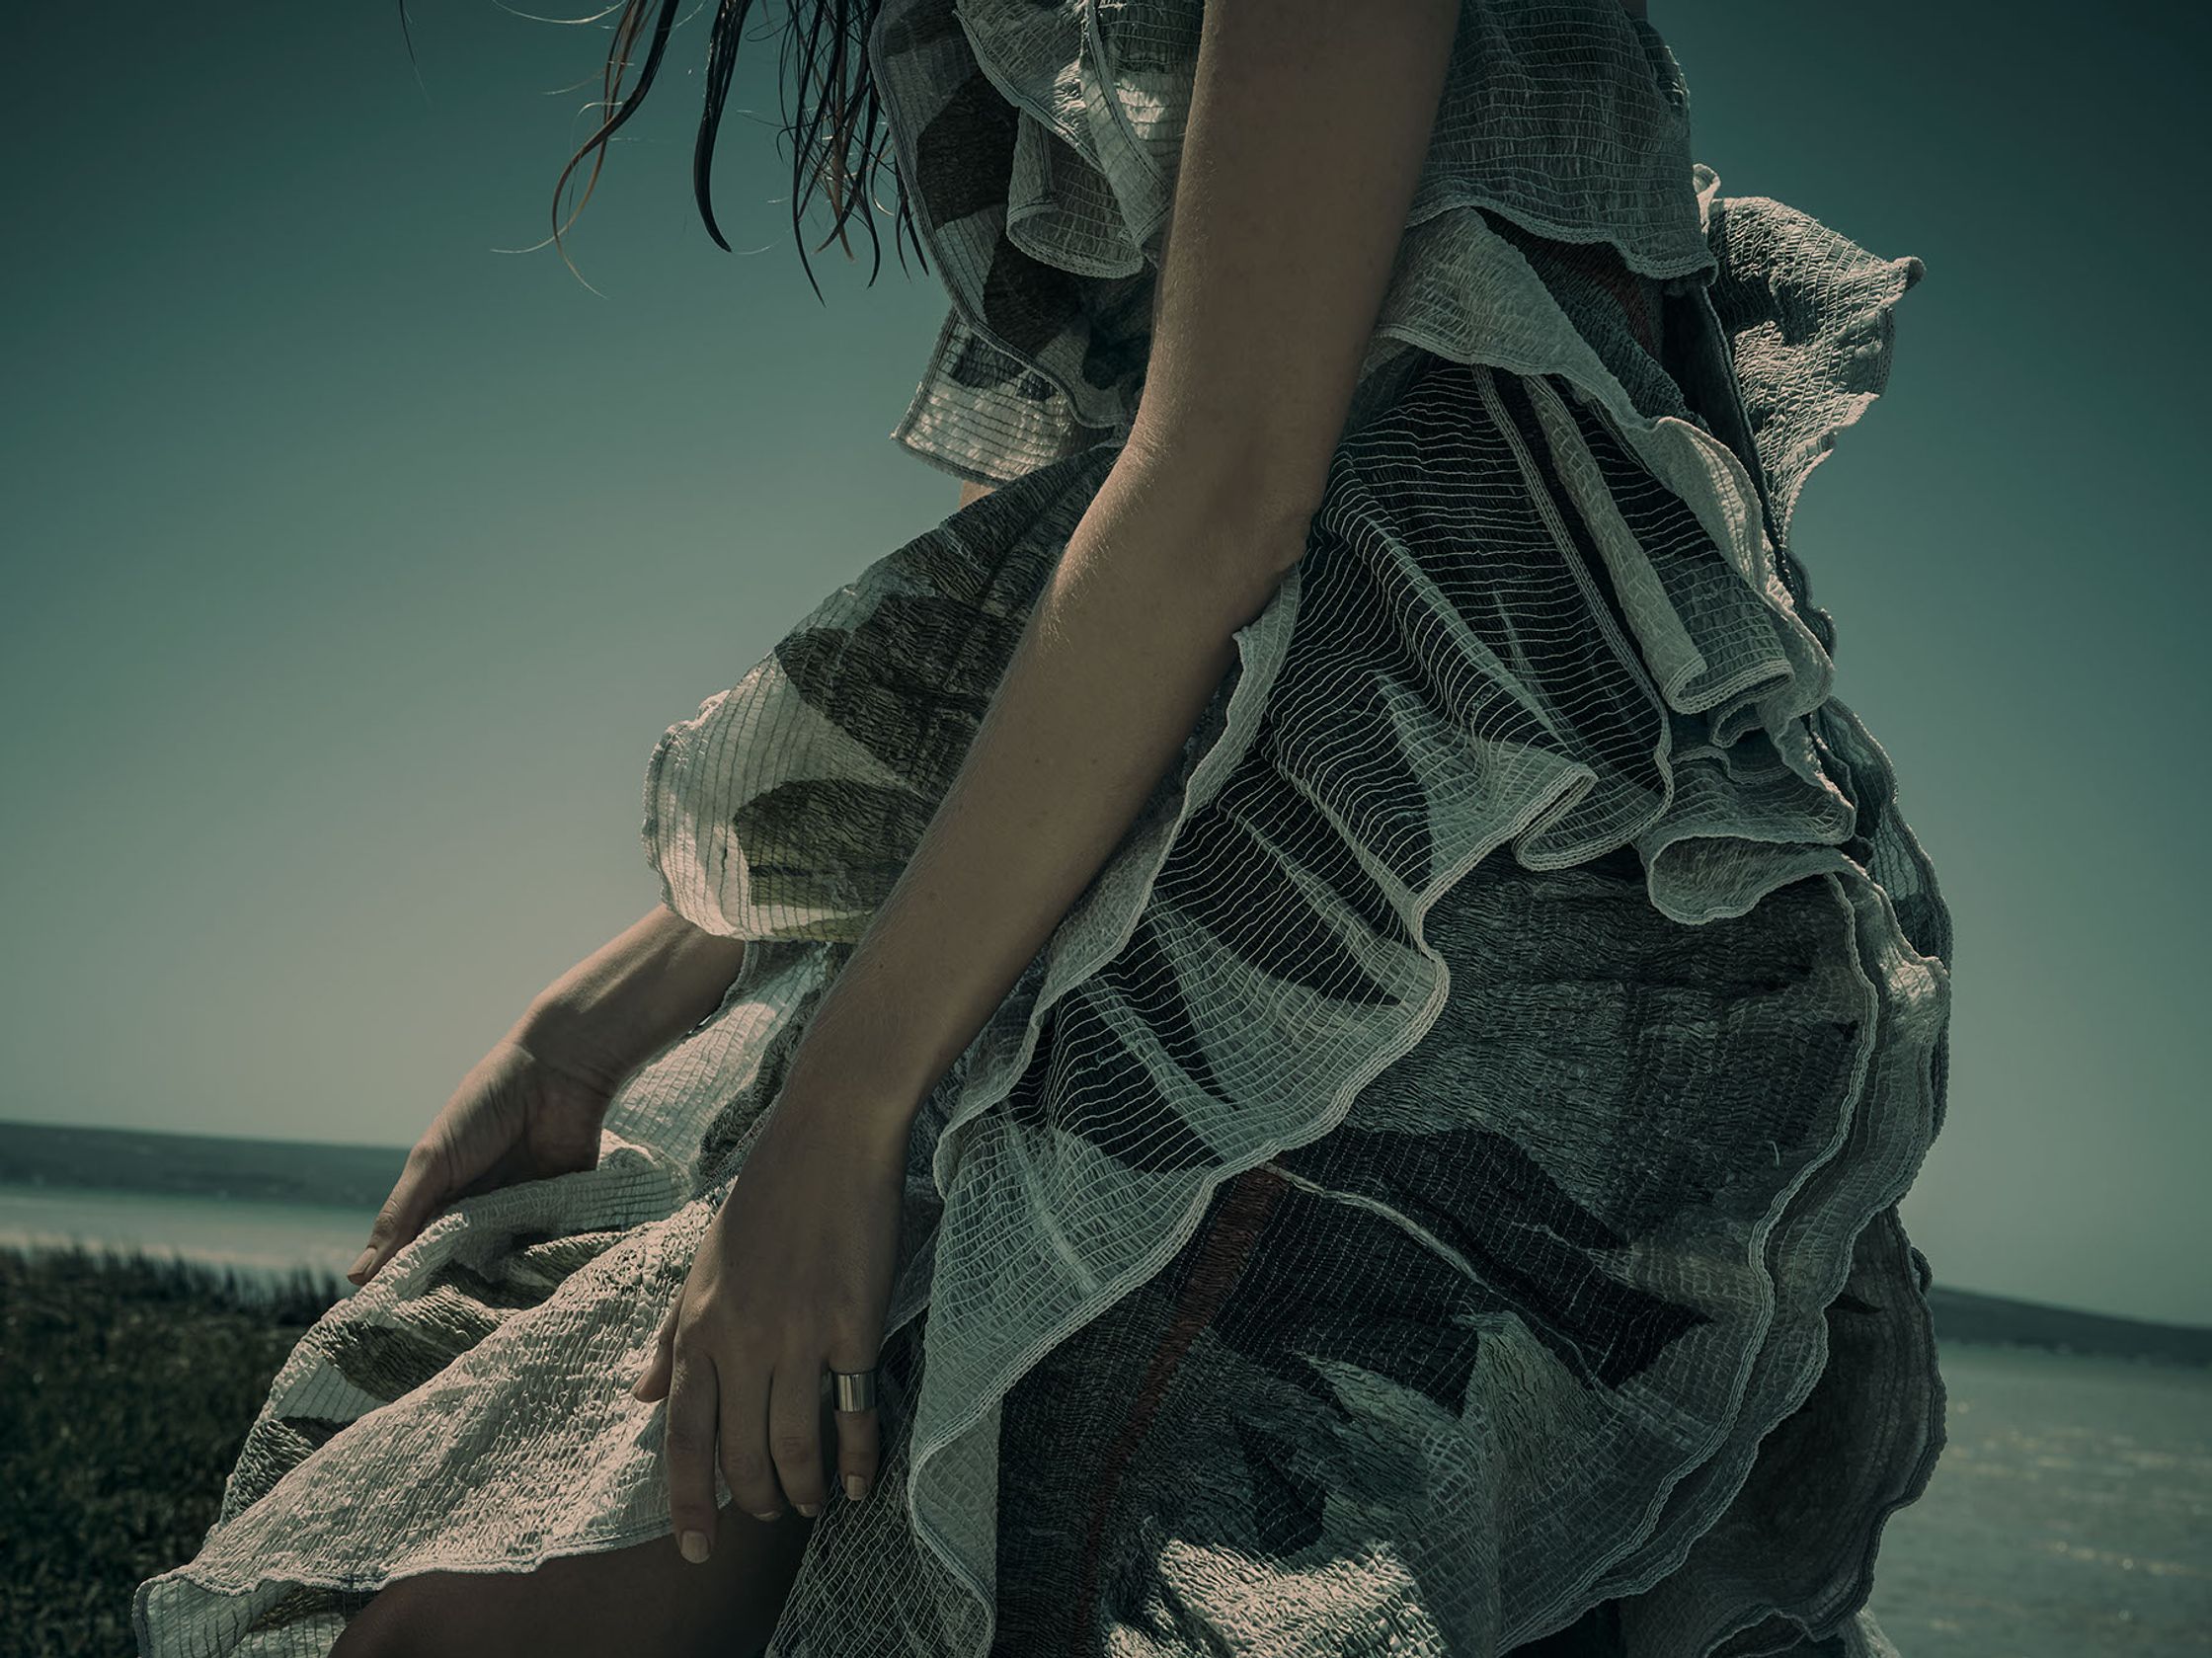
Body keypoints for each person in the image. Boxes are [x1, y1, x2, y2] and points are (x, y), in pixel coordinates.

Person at [133, 1, 1956, 1654]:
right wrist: (605, 1014)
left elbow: (1223, 489)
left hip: (1439, 915)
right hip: (1158, 874)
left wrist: (840, 1112)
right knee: (484, 1597)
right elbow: (1076, 575)